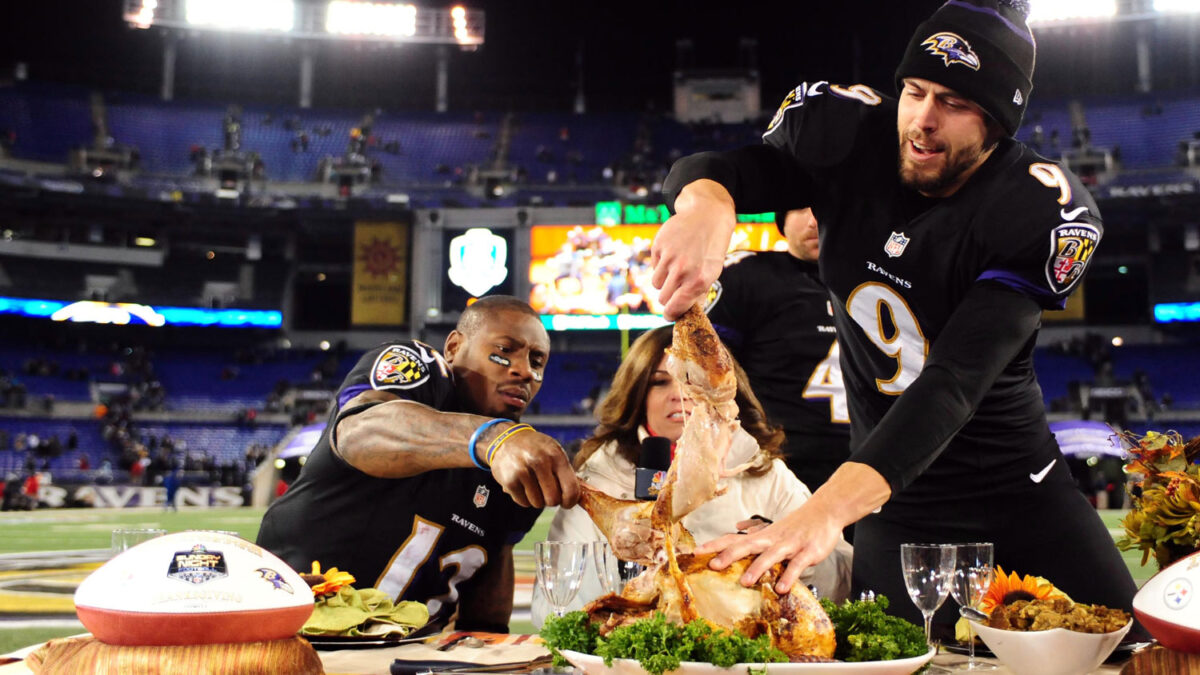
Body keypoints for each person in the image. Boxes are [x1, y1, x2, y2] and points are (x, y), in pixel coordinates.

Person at [650, 0, 1140, 633]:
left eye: (955, 104)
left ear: (997, 123)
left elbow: (955, 380)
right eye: (914, 91)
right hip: (900, 504)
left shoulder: (1038, 206)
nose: (923, 120)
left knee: (1138, 648)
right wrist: (708, 205)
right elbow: (727, 169)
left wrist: (825, 512)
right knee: (898, 659)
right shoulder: (850, 133)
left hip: (1020, 486)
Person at [257, 296, 580, 632]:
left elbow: (485, 615)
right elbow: (358, 433)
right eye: (505, 350)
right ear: (454, 347)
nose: (525, 370)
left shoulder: (513, 466)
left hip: (409, 655)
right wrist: (492, 439)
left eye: (537, 361)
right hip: (290, 631)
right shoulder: (420, 367)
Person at [531, 325, 852, 625]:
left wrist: (783, 554)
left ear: (724, 392)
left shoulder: (765, 472)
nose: (679, 395)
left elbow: (842, 578)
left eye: (693, 381)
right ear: (637, 396)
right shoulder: (601, 478)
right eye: (659, 382)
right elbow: (557, 604)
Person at [704, 208, 850, 494]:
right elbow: (703, 371)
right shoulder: (745, 276)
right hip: (776, 470)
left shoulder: (890, 281)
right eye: (800, 207)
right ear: (782, 217)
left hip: (871, 469)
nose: (814, 220)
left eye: (823, 205)